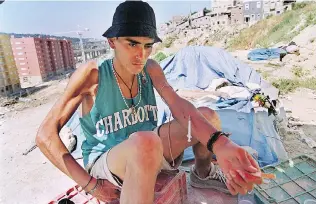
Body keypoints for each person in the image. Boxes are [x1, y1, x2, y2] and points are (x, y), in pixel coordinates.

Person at [36, 1, 262, 203]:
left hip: (150, 148)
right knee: (146, 142)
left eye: (147, 46)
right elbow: (45, 136)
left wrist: (220, 144)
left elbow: (181, 107)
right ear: (112, 42)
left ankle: (203, 174)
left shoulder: (151, 69)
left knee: (207, 117)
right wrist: (90, 185)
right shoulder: (93, 75)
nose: (141, 55)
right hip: (108, 161)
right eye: (132, 44)